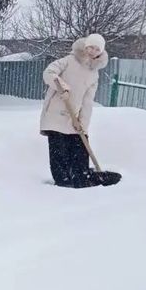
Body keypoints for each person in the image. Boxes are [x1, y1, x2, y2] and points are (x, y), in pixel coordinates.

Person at [40, 33, 109, 188]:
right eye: (90, 46)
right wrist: (62, 86)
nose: (92, 51)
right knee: (59, 151)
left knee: (80, 149)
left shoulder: (94, 74)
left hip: (74, 119)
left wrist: (82, 125)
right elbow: (49, 73)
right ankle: (62, 181)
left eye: (97, 49)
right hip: (55, 115)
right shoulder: (68, 61)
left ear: (101, 52)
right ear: (85, 45)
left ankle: (81, 177)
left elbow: (87, 102)